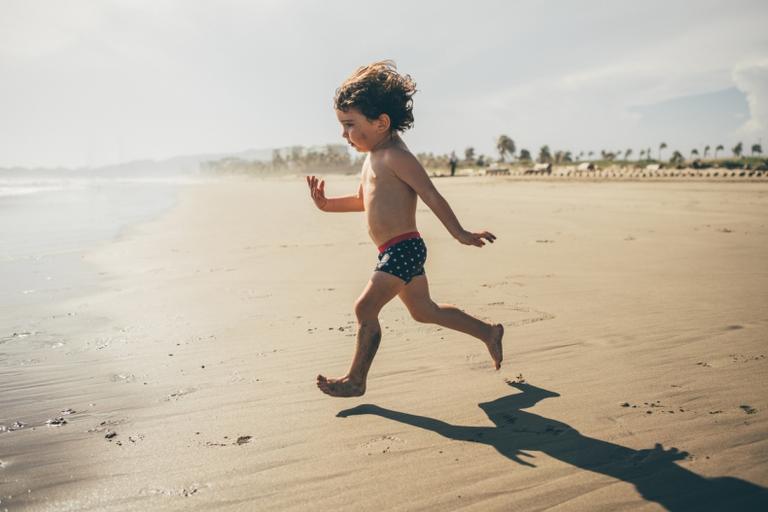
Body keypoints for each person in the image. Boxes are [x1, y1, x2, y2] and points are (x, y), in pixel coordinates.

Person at [306, 60, 503, 397]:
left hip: (403, 248)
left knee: (364, 309)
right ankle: (488, 333)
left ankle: (356, 380)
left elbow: (430, 193)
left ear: (381, 122)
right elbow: (361, 199)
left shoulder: (397, 156)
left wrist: (459, 232)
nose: (344, 135)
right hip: (394, 250)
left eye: (349, 125)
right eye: (341, 125)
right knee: (425, 311)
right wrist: (327, 205)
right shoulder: (372, 157)